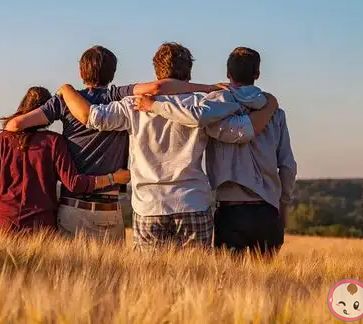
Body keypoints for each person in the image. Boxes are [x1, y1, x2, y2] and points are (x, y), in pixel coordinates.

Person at [57, 42, 279, 251]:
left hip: (149, 206)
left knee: (150, 281)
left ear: (157, 71)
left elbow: (92, 117)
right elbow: (240, 131)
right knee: (196, 283)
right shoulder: (202, 104)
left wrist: (66, 90)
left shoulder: (132, 105)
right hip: (192, 202)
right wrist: (269, 106)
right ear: (189, 73)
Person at [3, 45, 222, 242]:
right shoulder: (118, 96)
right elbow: (156, 88)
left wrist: (52, 138)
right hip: (111, 208)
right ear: (113, 73)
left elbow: (15, 125)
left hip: (74, 207)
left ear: (81, 72)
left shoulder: (64, 101)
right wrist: (208, 88)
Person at [135, 47, 297, 257]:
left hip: (230, 211)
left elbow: (195, 117)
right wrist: (283, 206)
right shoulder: (276, 113)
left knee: (228, 283)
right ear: (257, 74)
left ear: (228, 74)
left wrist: (155, 106)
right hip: (268, 210)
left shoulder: (214, 106)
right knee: (268, 285)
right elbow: (287, 166)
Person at [0, 86, 130, 237]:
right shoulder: (54, 142)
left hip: (2, 226)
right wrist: (113, 178)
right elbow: (74, 183)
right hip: (40, 229)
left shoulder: (4, 138)